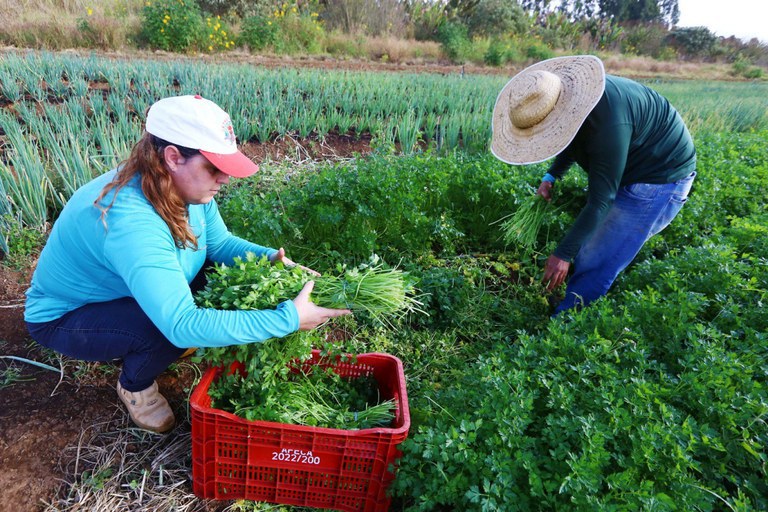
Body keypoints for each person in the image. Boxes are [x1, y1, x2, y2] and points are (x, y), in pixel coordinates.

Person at [24, 95, 351, 433]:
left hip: (123, 290)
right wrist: (288, 319)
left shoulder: (182, 187)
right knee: (170, 334)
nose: (224, 177)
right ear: (174, 157)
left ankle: (137, 334)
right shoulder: (132, 222)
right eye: (214, 166)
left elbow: (219, 243)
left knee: (221, 284)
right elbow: (181, 324)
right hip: (68, 315)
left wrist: (269, 259)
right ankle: (135, 386)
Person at [490, 55, 696, 315]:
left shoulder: (606, 127)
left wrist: (563, 255)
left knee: (599, 254)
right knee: (589, 245)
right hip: (633, 159)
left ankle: (566, 321)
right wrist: (551, 175)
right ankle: (573, 299)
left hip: (658, 178)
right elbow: (565, 136)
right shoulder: (572, 102)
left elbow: (601, 200)